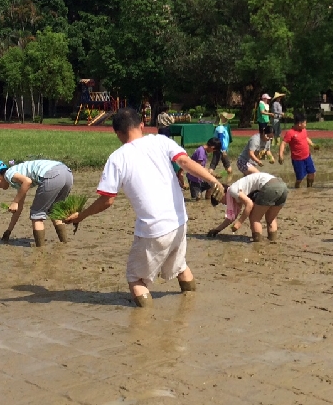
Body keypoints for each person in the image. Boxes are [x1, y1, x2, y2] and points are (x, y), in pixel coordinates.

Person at [64, 108, 223, 308]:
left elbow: (107, 201)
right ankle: (189, 308)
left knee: (135, 278)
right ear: (141, 126)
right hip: (180, 222)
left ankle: (146, 327)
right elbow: (184, 161)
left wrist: (81, 216)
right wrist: (213, 181)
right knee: (180, 266)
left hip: (153, 229)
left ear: (118, 134)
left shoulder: (117, 158)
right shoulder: (161, 140)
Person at [0, 158, 75, 246]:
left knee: (36, 215)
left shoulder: (8, 174)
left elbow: (27, 181)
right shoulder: (17, 178)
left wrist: (15, 202)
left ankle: (40, 251)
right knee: (54, 211)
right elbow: (19, 209)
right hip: (67, 173)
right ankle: (64, 244)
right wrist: (8, 231)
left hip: (52, 174)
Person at [207, 172, 289, 243]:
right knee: (271, 219)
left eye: (221, 201)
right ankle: (272, 241)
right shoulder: (237, 193)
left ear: (222, 193)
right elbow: (231, 218)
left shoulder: (232, 190)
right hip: (282, 186)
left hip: (270, 186)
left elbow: (249, 204)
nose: (224, 204)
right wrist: (217, 230)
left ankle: (258, 244)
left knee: (254, 218)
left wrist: (239, 223)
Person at [280, 112, 317, 188]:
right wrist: (281, 155)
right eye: (305, 123)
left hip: (307, 157)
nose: (306, 124)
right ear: (299, 123)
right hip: (297, 159)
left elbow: (306, 138)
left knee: (311, 174)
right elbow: (283, 143)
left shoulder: (303, 130)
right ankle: (297, 189)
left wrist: (312, 144)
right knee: (300, 178)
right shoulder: (290, 133)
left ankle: (309, 189)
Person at [211, 113, 234, 178]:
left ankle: (228, 179)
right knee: (215, 165)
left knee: (215, 164)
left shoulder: (222, 127)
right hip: (220, 150)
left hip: (220, 149)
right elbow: (220, 140)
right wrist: (223, 150)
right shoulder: (220, 128)